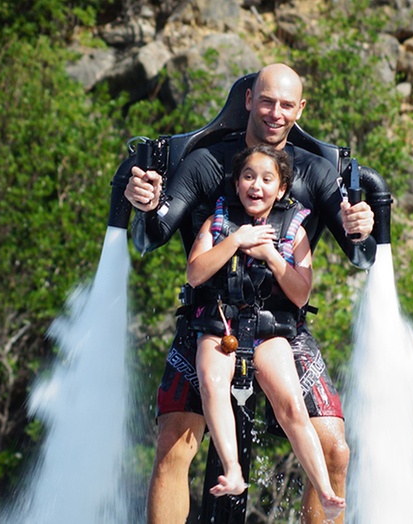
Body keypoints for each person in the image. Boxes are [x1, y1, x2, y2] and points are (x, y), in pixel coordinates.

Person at [123, 63, 376, 523]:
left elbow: (361, 255)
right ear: (247, 101)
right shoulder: (206, 164)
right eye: (266, 101)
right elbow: (150, 237)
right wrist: (145, 205)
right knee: (174, 444)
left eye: (285, 105)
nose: (274, 113)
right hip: (211, 322)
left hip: (280, 328)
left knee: (335, 450)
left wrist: (362, 230)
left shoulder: (316, 174)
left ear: (300, 109)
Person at [188, 145, 345, 519]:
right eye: (248, 177)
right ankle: (233, 469)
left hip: (268, 328)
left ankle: (324, 488)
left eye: (266, 179)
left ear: (281, 188)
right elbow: (195, 273)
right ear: (236, 183)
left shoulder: (294, 229)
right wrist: (236, 242)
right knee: (212, 380)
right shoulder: (218, 223)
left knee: (290, 402)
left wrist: (273, 256)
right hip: (221, 326)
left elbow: (301, 292)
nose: (256, 185)